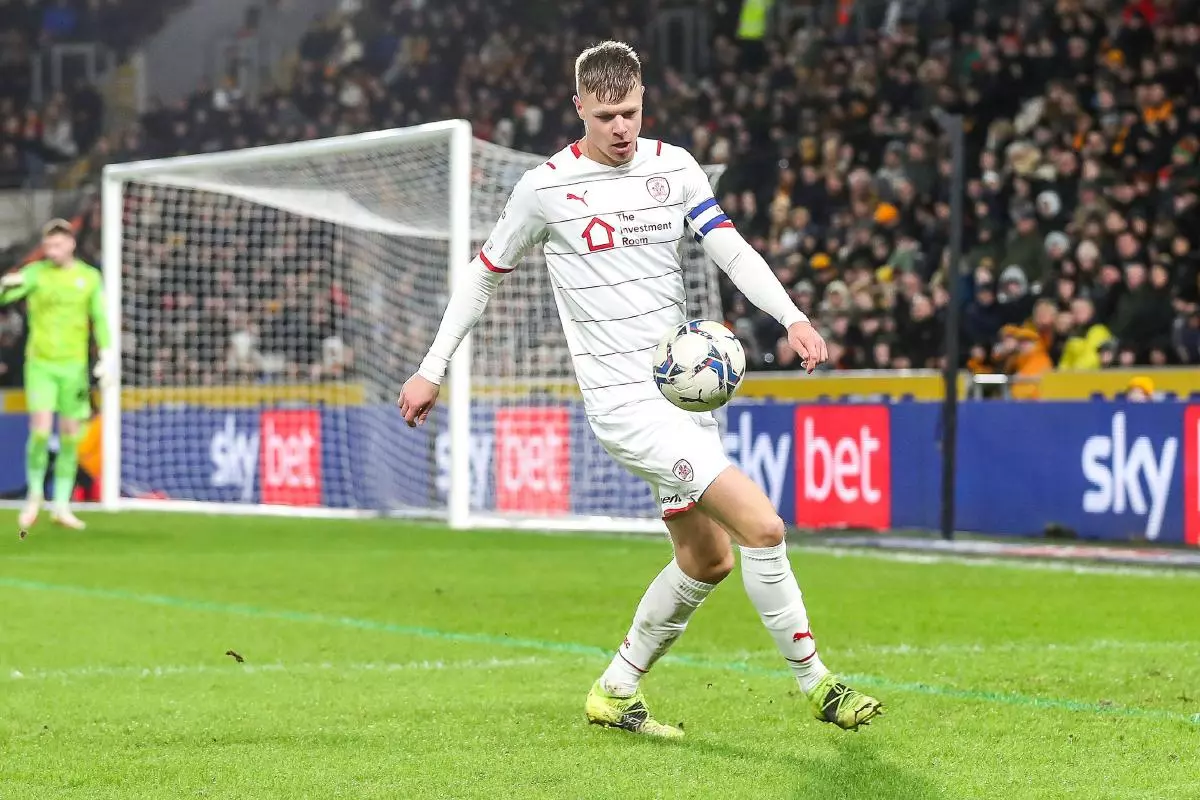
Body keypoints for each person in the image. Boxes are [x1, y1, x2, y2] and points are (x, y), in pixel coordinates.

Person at [398, 42, 882, 736]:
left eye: (630, 112)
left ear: (642, 101)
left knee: (707, 559)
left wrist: (793, 317)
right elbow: (482, 275)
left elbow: (730, 247)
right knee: (764, 527)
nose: (621, 128)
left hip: (683, 396)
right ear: (580, 111)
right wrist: (431, 368)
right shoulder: (544, 189)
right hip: (624, 404)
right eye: (605, 116)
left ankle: (617, 688)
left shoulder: (674, 167)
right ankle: (820, 685)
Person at [1, 219, 112, 531]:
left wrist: (107, 353)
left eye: (58, 243)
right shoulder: (36, 274)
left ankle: (61, 505)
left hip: (74, 367)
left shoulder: (88, 278)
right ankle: (35, 494)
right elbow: (5, 297)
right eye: (48, 244)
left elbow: (100, 317)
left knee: (70, 435)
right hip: (41, 365)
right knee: (39, 431)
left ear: (71, 244)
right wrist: (3, 287)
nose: (53, 249)